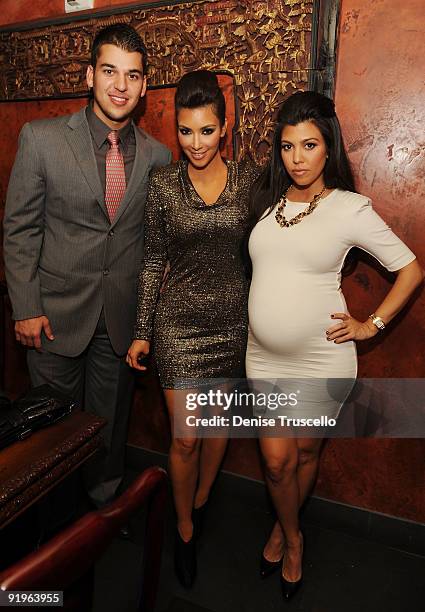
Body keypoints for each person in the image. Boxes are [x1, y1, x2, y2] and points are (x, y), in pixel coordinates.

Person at [245, 91, 423, 600]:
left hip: (322, 357)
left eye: (309, 145)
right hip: (262, 355)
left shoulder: (348, 208)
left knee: (302, 456)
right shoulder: (264, 201)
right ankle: (295, 532)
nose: (297, 158)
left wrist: (372, 325)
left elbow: (411, 270)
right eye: (286, 146)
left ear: (329, 148)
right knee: (276, 461)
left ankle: (285, 533)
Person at [3, 24, 171, 508]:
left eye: (132, 75)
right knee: (48, 431)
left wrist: (144, 322)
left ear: (143, 86)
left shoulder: (159, 157)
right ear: (90, 75)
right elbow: (20, 229)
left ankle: (100, 515)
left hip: (118, 322)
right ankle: (49, 520)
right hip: (52, 317)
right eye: (110, 71)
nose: (120, 85)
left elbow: (150, 243)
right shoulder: (41, 139)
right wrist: (25, 307)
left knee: (108, 426)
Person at [127, 70, 259, 587]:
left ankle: (201, 504)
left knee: (218, 431)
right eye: (186, 131)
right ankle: (183, 529)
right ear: (175, 131)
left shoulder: (251, 180)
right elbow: (153, 260)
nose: (196, 143)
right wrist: (142, 331)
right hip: (177, 327)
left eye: (207, 131)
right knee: (186, 438)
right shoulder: (162, 184)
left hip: (233, 324)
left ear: (224, 130)